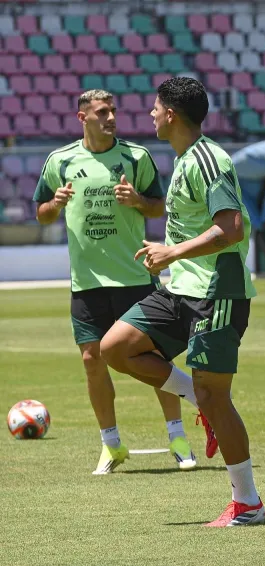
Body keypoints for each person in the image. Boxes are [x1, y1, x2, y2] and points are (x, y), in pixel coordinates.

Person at [100, 77, 264, 527]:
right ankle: (200, 402)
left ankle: (248, 502)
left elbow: (229, 228)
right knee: (115, 347)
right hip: (180, 289)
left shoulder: (210, 159)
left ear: (171, 113)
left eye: (154, 108)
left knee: (218, 395)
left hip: (217, 293)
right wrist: (169, 252)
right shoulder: (185, 158)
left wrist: (171, 252)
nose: (150, 114)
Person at [33, 89, 198, 474]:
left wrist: (138, 200)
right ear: (82, 117)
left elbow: (160, 206)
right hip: (86, 282)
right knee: (93, 361)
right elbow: (40, 214)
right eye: (102, 112)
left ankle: (177, 437)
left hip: (134, 276)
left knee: (155, 358)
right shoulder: (60, 160)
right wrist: (54, 205)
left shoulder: (136, 156)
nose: (111, 118)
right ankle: (111, 445)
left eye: (113, 111)